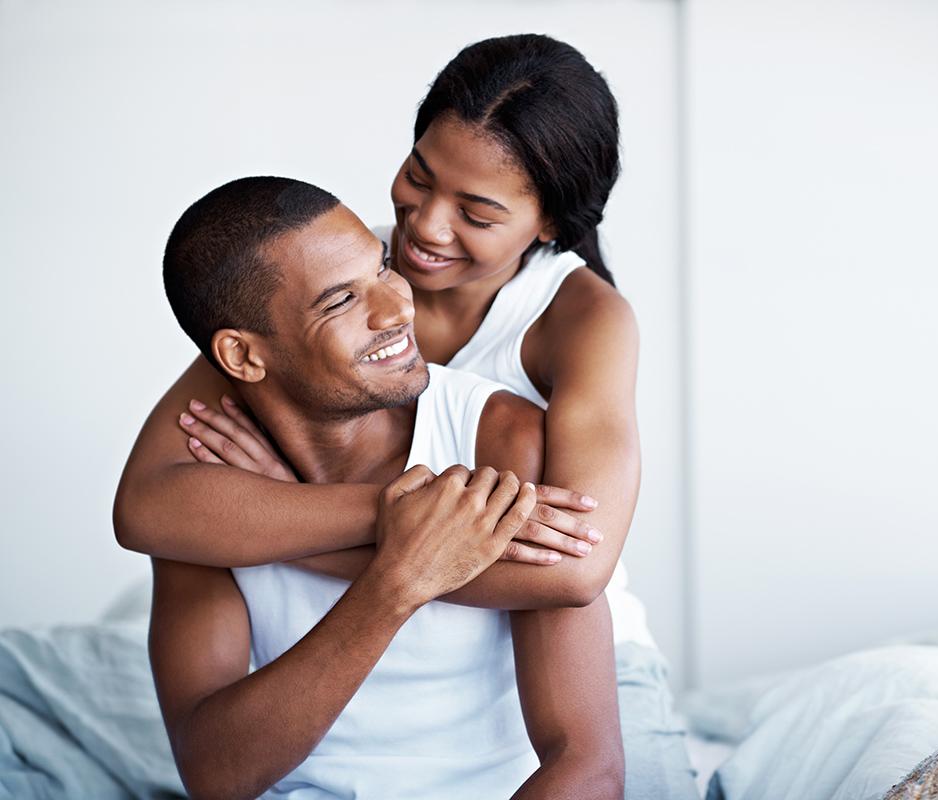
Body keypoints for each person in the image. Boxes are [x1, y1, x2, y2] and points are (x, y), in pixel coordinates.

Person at [115, 34, 696, 797]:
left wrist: (296, 532)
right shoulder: (327, 275)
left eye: (477, 212)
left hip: (579, 642)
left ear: (548, 224)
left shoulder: (578, 325)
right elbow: (151, 505)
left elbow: (576, 567)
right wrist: (402, 527)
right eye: (419, 177)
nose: (423, 229)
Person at [148, 176, 622, 799]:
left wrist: (400, 533)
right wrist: (396, 583)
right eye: (341, 301)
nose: (400, 309)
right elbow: (215, 774)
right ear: (242, 357)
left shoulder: (500, 440)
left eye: (385, 267)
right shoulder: (209, 483)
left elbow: (589, 766)